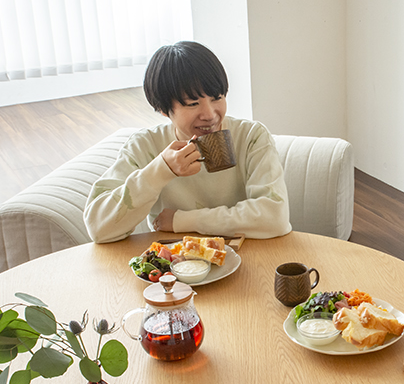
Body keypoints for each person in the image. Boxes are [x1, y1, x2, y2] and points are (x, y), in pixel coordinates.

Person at [84, 41, 291, 243]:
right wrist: (161, 170)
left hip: (247, 259)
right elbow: (98, 228)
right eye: (193, 104)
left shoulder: (250, 136)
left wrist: (181, 221)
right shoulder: (145, 145)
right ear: (164, 110)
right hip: (174, 270)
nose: (210, 115)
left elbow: (275, 217)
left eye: (217, 98)